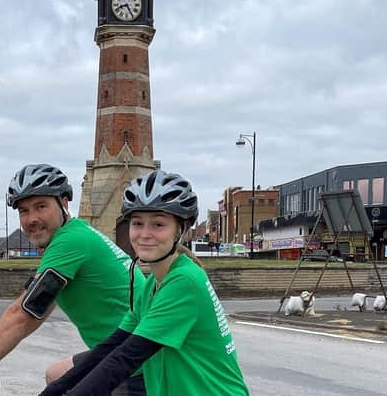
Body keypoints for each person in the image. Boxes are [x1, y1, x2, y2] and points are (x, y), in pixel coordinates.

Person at [0, 163, 147, 395]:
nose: (32, 219)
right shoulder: (78, 232)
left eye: (41, 207)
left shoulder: (70, 243)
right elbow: (41, 305)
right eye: (24, 211)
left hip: (139, 366)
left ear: (64, 203)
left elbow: (23, 314)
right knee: (55, 374)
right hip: (124, 349)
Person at [39, 170, 249, 396]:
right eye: (138, 223)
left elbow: (126, 358)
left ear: (181, 229)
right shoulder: (153, 285)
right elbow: (110, 349)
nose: (144, 234)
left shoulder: (184, 281)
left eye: (158, 225)